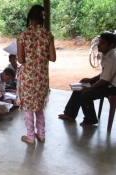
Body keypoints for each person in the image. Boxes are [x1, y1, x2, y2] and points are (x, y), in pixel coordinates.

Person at [17, 5, 56, 144]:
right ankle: (41, 135)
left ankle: (30, 136)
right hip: (41, 77)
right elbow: (52, 58)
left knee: (28, 107)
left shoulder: (23, 35)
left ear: (30, 17)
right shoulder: (48, 35)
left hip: (28, 77)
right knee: (39, 106)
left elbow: (21, 60)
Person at [58, 33, 116, 127]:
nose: (99, 45)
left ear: (111, 45)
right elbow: (103, 74)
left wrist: (89, 88)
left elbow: (105, 80)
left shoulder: (112, 58)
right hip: (106, 81)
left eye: (103, 43)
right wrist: (90, 80)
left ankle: (91, 119)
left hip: (112, 87)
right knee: (80, 86)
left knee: (85, 95)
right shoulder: (106, 55)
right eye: (99, 42)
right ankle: (69, 114)